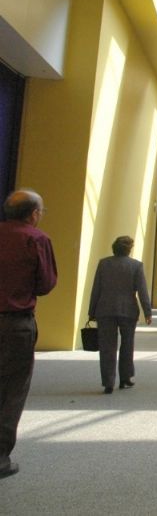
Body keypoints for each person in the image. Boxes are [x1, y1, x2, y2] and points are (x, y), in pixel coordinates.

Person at [0, 189, 57, 479]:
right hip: (15, 323)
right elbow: (45, 283)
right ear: (34, 214)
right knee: (12, 389)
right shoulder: (36, 239)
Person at [88, 235, 152, 394]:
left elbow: (97, 288)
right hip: (128, 310)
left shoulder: (104, 264)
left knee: (107, 346)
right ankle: (126, 378)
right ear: (129, 249)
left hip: (105, 309)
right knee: (127, 344)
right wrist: (147, 311)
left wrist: (92, 310)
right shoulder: (136, 266)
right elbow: (142, 291)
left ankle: (108, 382)